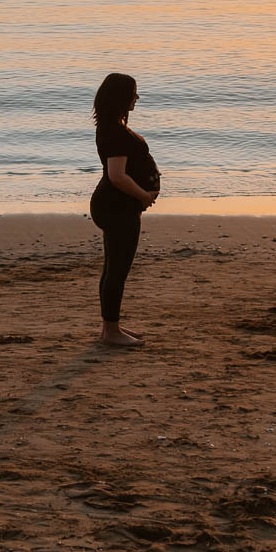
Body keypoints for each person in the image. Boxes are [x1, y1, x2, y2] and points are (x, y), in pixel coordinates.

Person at [89, 73, 160, 347]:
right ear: (121, 97)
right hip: (117, 207)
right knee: (117, 269)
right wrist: (143, 195)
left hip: (115, 205)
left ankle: (110, 327)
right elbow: (117, 176)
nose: (137, 98)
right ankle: (111, 332)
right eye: (134, 92)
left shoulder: (111, 126)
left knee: (113, 268)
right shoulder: (115, 132)